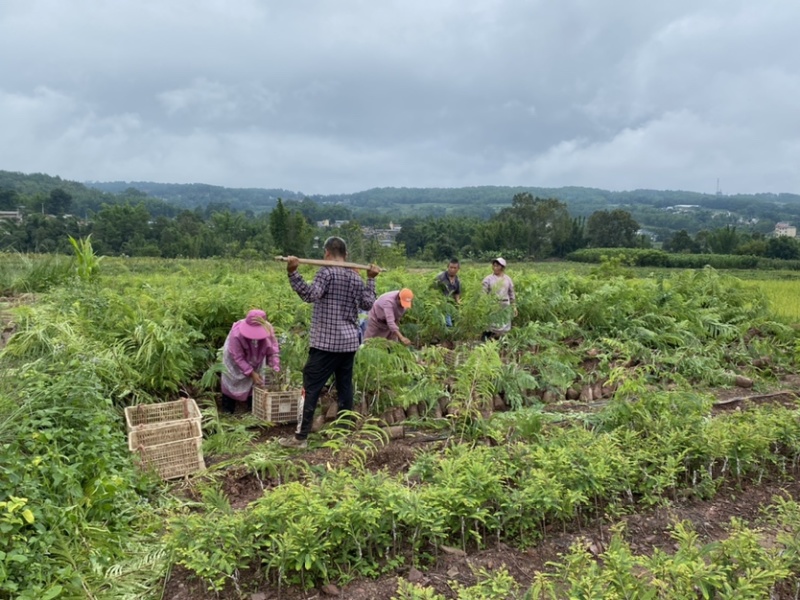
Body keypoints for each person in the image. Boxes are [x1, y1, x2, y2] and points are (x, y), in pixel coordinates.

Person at [280, 237, 380, 448]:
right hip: (349, 344)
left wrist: (293, 272)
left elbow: (310, 294)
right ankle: (344, 433)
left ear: (326, 253)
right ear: (346, 255)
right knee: (344, 388)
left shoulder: (326, 272)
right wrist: (371, 279)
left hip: (326, 344)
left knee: (311, 387)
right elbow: (367, 303)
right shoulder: (355, 277)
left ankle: (301, 437)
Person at [220, 309, 280, 414]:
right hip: (235, 360)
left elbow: (273, 350)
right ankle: (228, 410)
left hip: (256, 357)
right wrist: (251, 372)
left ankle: (252, 410)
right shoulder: (236, 334)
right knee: (232, 380)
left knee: (256, 382)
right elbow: (238, 357)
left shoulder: (268, 329)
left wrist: (275, 367)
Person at [481, 257, 517, 338]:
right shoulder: (488, 279)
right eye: (494, 266)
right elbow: (483, 293)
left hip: (505, 306)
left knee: (504, 326)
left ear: (502, 267)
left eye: (497, 266)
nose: (495, 268)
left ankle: (502, 343)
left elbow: (511, 294)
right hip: (493, 306)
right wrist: (484, 305)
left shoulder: (508, 279)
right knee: (490, 326)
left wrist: (514, 306)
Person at [434, 258, 461, 326]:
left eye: (455, 268)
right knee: (448, 324)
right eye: (451, 267)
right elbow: (434, 291)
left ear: (458, 269)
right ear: (447, 267)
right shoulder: (441, 277)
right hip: (441, 304)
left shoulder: (457, 279)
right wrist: (437, 301)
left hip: (451, 305)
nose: (452, 270)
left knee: (455, 322)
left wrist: (458, 302)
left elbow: (457, 292)